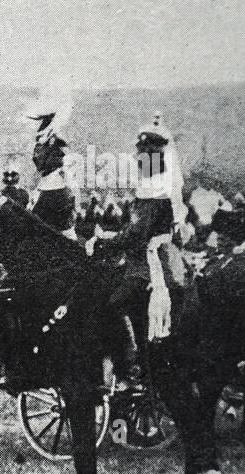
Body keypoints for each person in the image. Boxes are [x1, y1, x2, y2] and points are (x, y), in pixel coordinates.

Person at [88, 112, 187, 389]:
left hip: (151, 264)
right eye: (142, 155)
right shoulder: (148, 190)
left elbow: (137, 233)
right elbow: (132, 227)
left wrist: (106, 242)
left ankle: (131, 363)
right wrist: (106, 236)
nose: (144, 160)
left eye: (150, 155)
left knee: (113, 303)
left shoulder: (156, 191)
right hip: (145, 259)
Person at [28, 111, 76, 237]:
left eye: (39, 145)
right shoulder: (44, 150)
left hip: (58, 193)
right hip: (47, 190)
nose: (35, 153)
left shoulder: (56, 148)